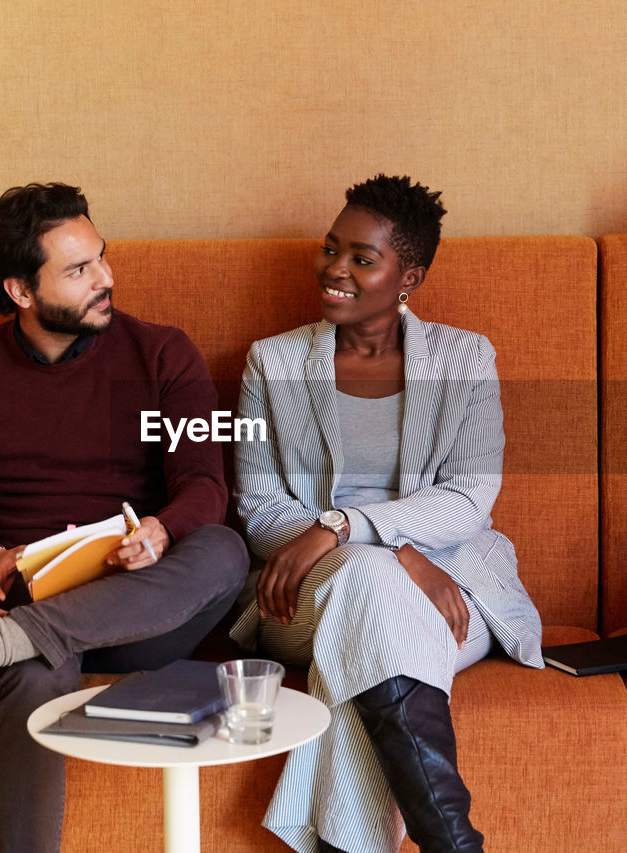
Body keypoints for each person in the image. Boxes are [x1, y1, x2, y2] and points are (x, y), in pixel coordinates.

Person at [0, 182, 248, 853]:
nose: (105, 279)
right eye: (79, 271)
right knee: (34, 668)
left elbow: (204, 485)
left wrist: (161, 531)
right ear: (21, 290)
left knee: (224, 549)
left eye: (101, 258)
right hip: (25, 593)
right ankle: (6, 642)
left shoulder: (163, 354)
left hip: (144, 610)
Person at [230, 174, 543, 853]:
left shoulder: (466, 358)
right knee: (371, 585)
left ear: (411, 275)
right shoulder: (272, 361)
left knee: (370, 640)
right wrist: (385, 550)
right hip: (307, 596)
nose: (334, 269)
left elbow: (468, 497)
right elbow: (257, 506)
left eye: (362, 258)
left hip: (449, 587)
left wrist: (350, 526)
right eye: (330, 248)